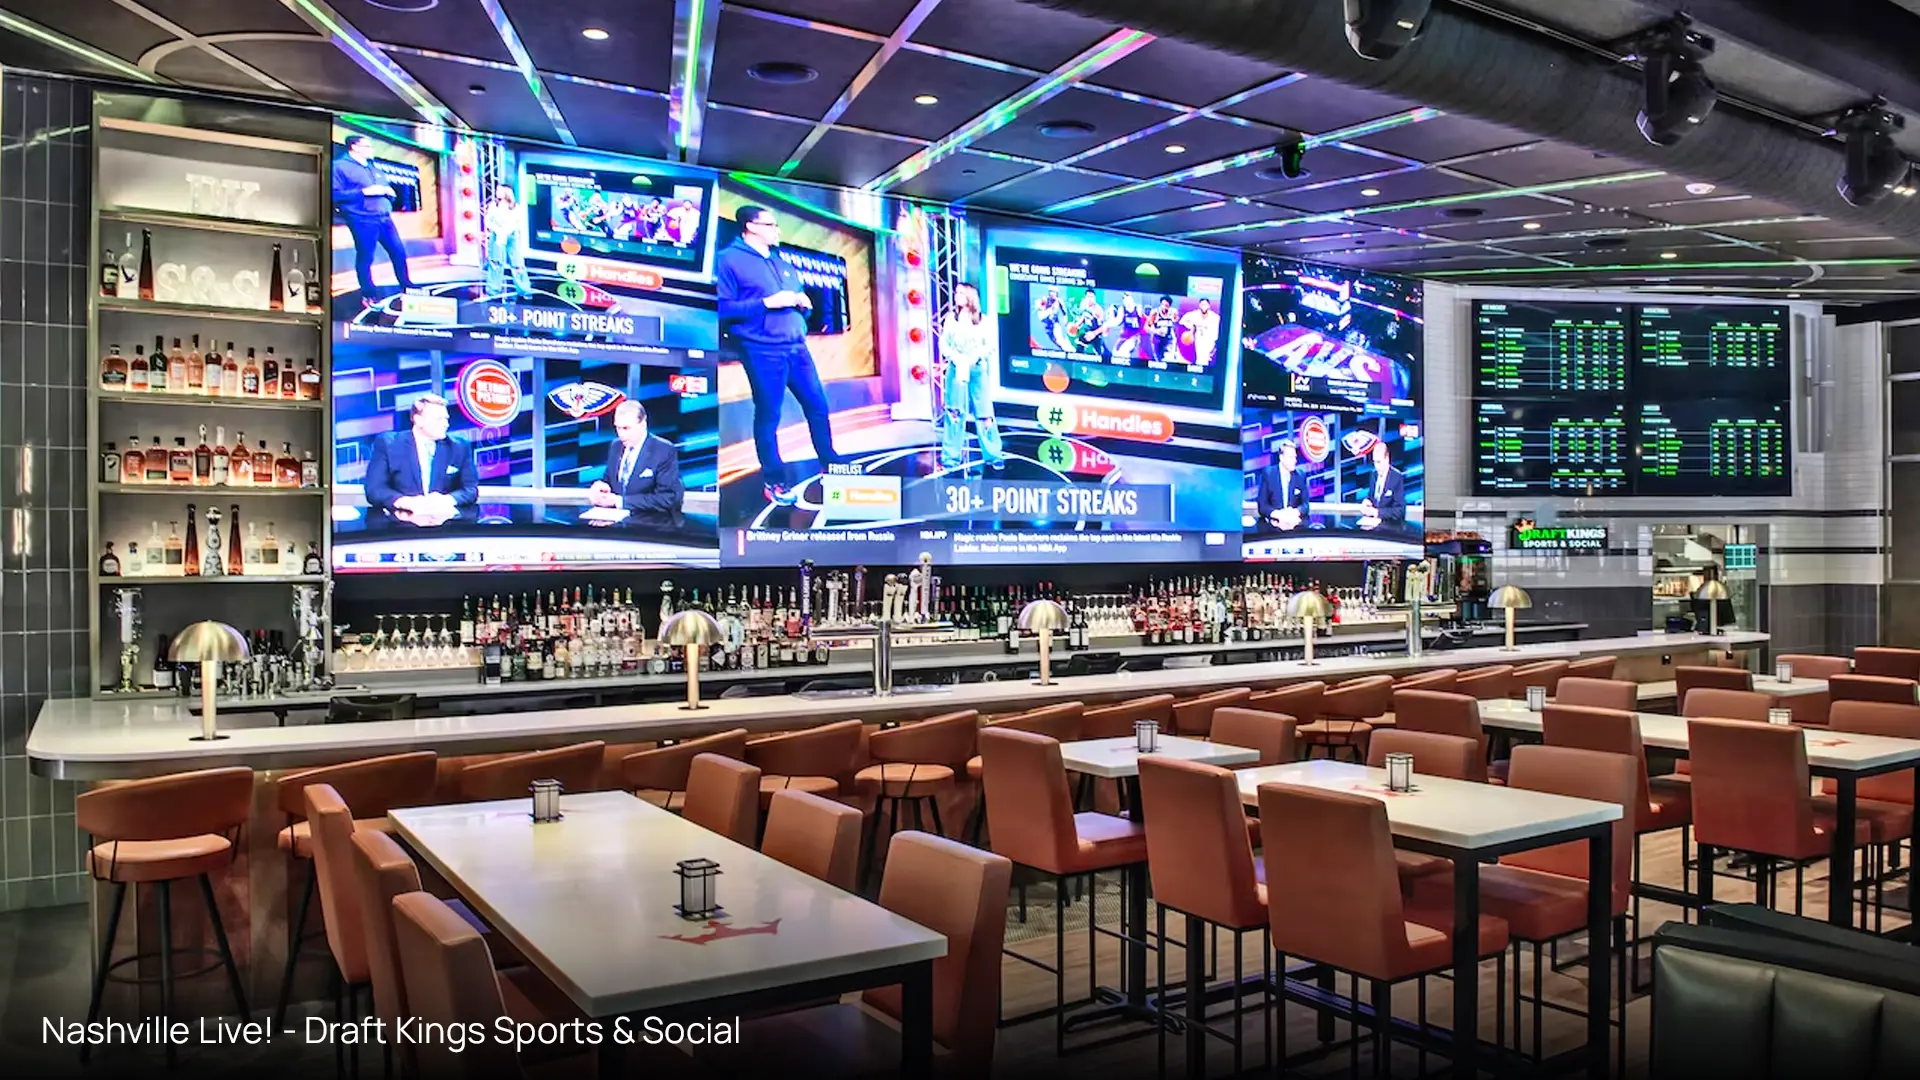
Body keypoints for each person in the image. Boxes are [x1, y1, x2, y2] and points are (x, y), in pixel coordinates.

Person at [715, 205, 841, 507]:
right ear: (750, 227)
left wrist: (803, 305)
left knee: (818, 406)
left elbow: (797, 308)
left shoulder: (782, 263)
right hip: (761, 349)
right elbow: (722, 308)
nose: (777, 230)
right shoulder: (727, 260)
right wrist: (767, 302)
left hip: (797, 347)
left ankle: (831, 465)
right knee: (769, 414)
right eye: (770, 225)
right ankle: (775, 481)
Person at [362, 394, 478, 527]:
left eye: (446, 419)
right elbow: (375, 489)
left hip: (445, 529)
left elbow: (470, 489)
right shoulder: (388, 444)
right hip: (399, 528)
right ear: (419, 420)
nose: (446, 424)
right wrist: (406, 502)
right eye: (439, 419)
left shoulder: (459, 447)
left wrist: (447, 500)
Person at [330, 134, 416, 305]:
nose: (372, 150)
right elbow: (334, 194)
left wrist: (390, 194)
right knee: (366, 256)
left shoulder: (373, 167)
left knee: (398, 251)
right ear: (354, 147)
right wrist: (364, 192)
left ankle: (407, 286)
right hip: (362, 219)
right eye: (367, 146)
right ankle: (369, 294)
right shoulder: (339, 167)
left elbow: (384, 189)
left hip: (384, 218)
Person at [587, 401, 684, 528]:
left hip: (651, 529)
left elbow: (667, 499)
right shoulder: (615, 446)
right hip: (617, 528)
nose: (621, 434)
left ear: (643, 424)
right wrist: (601, 487)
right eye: (618, 428)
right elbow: (609, 480)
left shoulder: (663, 450)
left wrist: (620, 501)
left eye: (626, 428)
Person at [938, 283, 1003, 471]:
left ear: (970, 296)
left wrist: (975, 357)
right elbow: (944, 343)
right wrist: (955, 357)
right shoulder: (951, 319)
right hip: (957, 369)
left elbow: (990, 345)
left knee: (984, 413)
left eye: (961, 292)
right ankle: (951, 458)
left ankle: (993, 455)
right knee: (954, 412)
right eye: (956, 292)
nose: (956, 295)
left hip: (977, 368)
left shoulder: (984, 321)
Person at [482, 184, 531, 298]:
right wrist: (498, 231)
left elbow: (518, 222)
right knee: (496, 263)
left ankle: (524, 290)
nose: (496, 192)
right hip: (497, 235)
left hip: (512, 235)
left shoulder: (516, 207)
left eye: (499, 190)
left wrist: (506, 231)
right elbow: (488, 221)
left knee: (517, 263)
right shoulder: (493, 206)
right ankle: (493, 290)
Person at [1255, 439, 1308, 532]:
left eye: (1295, 457)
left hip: (1294, 528)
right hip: (1272, 529)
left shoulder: (1300, 475)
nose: (1295, 461)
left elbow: (1305, 505)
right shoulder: (1268, 474)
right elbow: (1262, 506)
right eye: (1291, 457)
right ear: (1281, 458)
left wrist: (1295, 512)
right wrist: (1279, 514)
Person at [1357, 439, 1406, 530]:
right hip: (1373, 526)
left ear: (1387, 458)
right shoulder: (1373, 475)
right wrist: (1366, 502)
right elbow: (1371, 497)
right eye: (1374, 462)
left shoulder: (1396, 477)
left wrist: (1377, 512)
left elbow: (1400, 511)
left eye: (1379, 462)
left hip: (1390, 529)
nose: (1376, 466)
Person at [1179, 297, 1220, 364]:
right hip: (1199, 339)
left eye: (1205, 304)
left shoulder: (1215, 317)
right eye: (1202, 304)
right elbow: (1182, 321)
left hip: (1210, 340)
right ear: (1199, 305)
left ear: (1209, 306)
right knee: (1200, 359)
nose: (1204, 307)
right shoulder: (1194, 315)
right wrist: (1191, 329)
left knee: (1206, 359)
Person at [1144, 295, 1177, 362]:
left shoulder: (1174, 312)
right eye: (1162, 305)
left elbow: (1176, 325)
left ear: (1169, 306)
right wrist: (1156, 331)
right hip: (1157, 340)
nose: (1164, 307)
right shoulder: (1155, 313)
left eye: (1166, 306)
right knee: (1159, 361)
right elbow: (1146, 327)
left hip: (1169, 339)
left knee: (1168, 359)